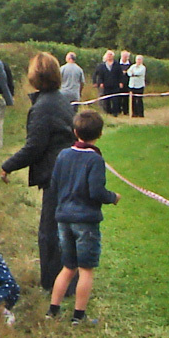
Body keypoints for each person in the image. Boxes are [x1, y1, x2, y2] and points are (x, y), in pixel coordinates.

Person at [1, 52, 76, 291]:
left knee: (50, 232)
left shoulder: (43, 107)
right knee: (65, 229)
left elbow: (35, 147)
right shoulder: (62, 100)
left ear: (35, 77)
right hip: (68, 169)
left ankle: (55, 284)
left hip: (57, 173)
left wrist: (8, 166)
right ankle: (67, 280)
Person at [46, 110, 121, 325]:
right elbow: (96, 191)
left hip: (63, 218)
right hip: (85, 221)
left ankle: (53, 311)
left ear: (75, 131)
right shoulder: (95, 160)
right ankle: (79, 316)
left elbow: (55, 184)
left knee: (68, 267)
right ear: (99, 135)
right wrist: (112, 197)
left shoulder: (62, 155)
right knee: (86, 269)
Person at [92, 51, 118, 116]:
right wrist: (99, 82)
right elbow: (99, 75)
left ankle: (115, 112)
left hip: (115, 85)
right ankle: (108, 111)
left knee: (115, 99)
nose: (109, 56)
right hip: (106, 85)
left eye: (111, 55)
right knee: (106, 99)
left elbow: (119, 74)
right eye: (108, 55)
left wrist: (120, 82)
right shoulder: (102, 66)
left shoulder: (116, 64)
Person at [116, 51, 131, 115]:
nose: (125, 58)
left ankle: (126, 111)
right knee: (118, 97)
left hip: (128, 84)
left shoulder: (130, 65)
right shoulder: (117, 64)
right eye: (123, 56)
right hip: (118, 83)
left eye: (126, 56)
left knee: (126, 98)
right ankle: (118, 110)